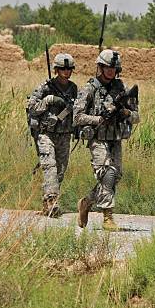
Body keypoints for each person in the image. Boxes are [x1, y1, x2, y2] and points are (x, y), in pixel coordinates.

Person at [73, 49, 140, 231]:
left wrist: (124, 112)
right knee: (106, 173)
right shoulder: (90, 89)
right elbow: (77, 117)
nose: (111, 71)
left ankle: (87, 202)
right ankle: (107, 217)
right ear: (100, 67)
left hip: (115, 138)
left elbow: (136, 117)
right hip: (97, 137)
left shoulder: (121, 90)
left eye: (114, 68)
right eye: (107, 67)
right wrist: (99, 118)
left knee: (115, 176)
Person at [26, 53, 77, 217]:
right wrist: (48, 100)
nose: (66, 72)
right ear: (56, 70)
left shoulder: (73, 88)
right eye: (63, 69)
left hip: (64, 134)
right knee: (49, 167)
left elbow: (78, 110)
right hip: (46, 134)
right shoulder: (46, 87)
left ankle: (47, 204)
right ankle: (52, 202)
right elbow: (32, 108)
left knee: (60, 171)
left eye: (69, 69)